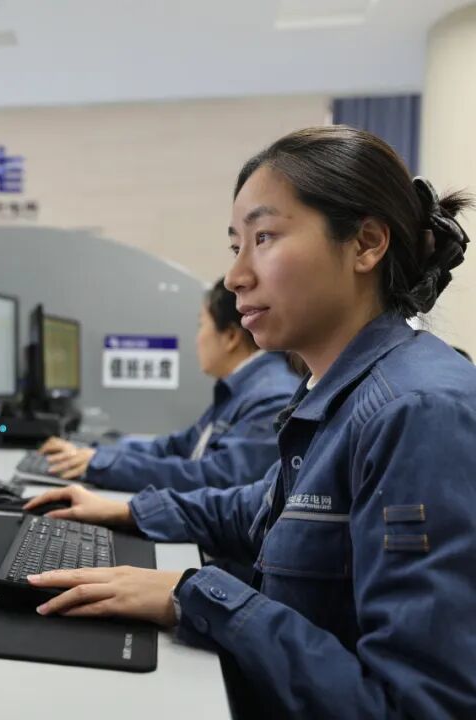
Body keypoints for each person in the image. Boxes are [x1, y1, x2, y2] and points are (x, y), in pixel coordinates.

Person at [23, 126, 476, 718]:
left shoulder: (417, 412)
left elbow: (413, 708)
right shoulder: (341, 393)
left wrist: (197, 595)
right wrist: (128, 512)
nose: (237, 275)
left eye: (264, 238)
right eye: (236, 245)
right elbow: (260, 511)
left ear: (366, 243)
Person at [39, 280, 300, 492]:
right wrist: (94, 453)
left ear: (231, 336)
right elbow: (176, 446)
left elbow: (217, 478)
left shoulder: (270, 397)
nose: (197, 338)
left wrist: (104, 464)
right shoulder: (245, 387)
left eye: (201, 325)